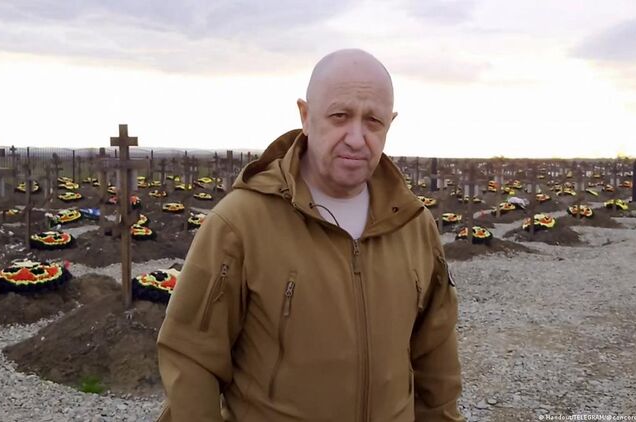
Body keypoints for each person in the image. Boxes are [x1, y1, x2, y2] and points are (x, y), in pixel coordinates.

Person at [157, 49, 464, 421]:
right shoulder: (241, 223)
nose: (356, 138)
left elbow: (436, 362)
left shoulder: (414, 226)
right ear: (305, 116)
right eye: (340, 116)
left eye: (373, 121)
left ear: (390, 124)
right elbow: (191, 359)